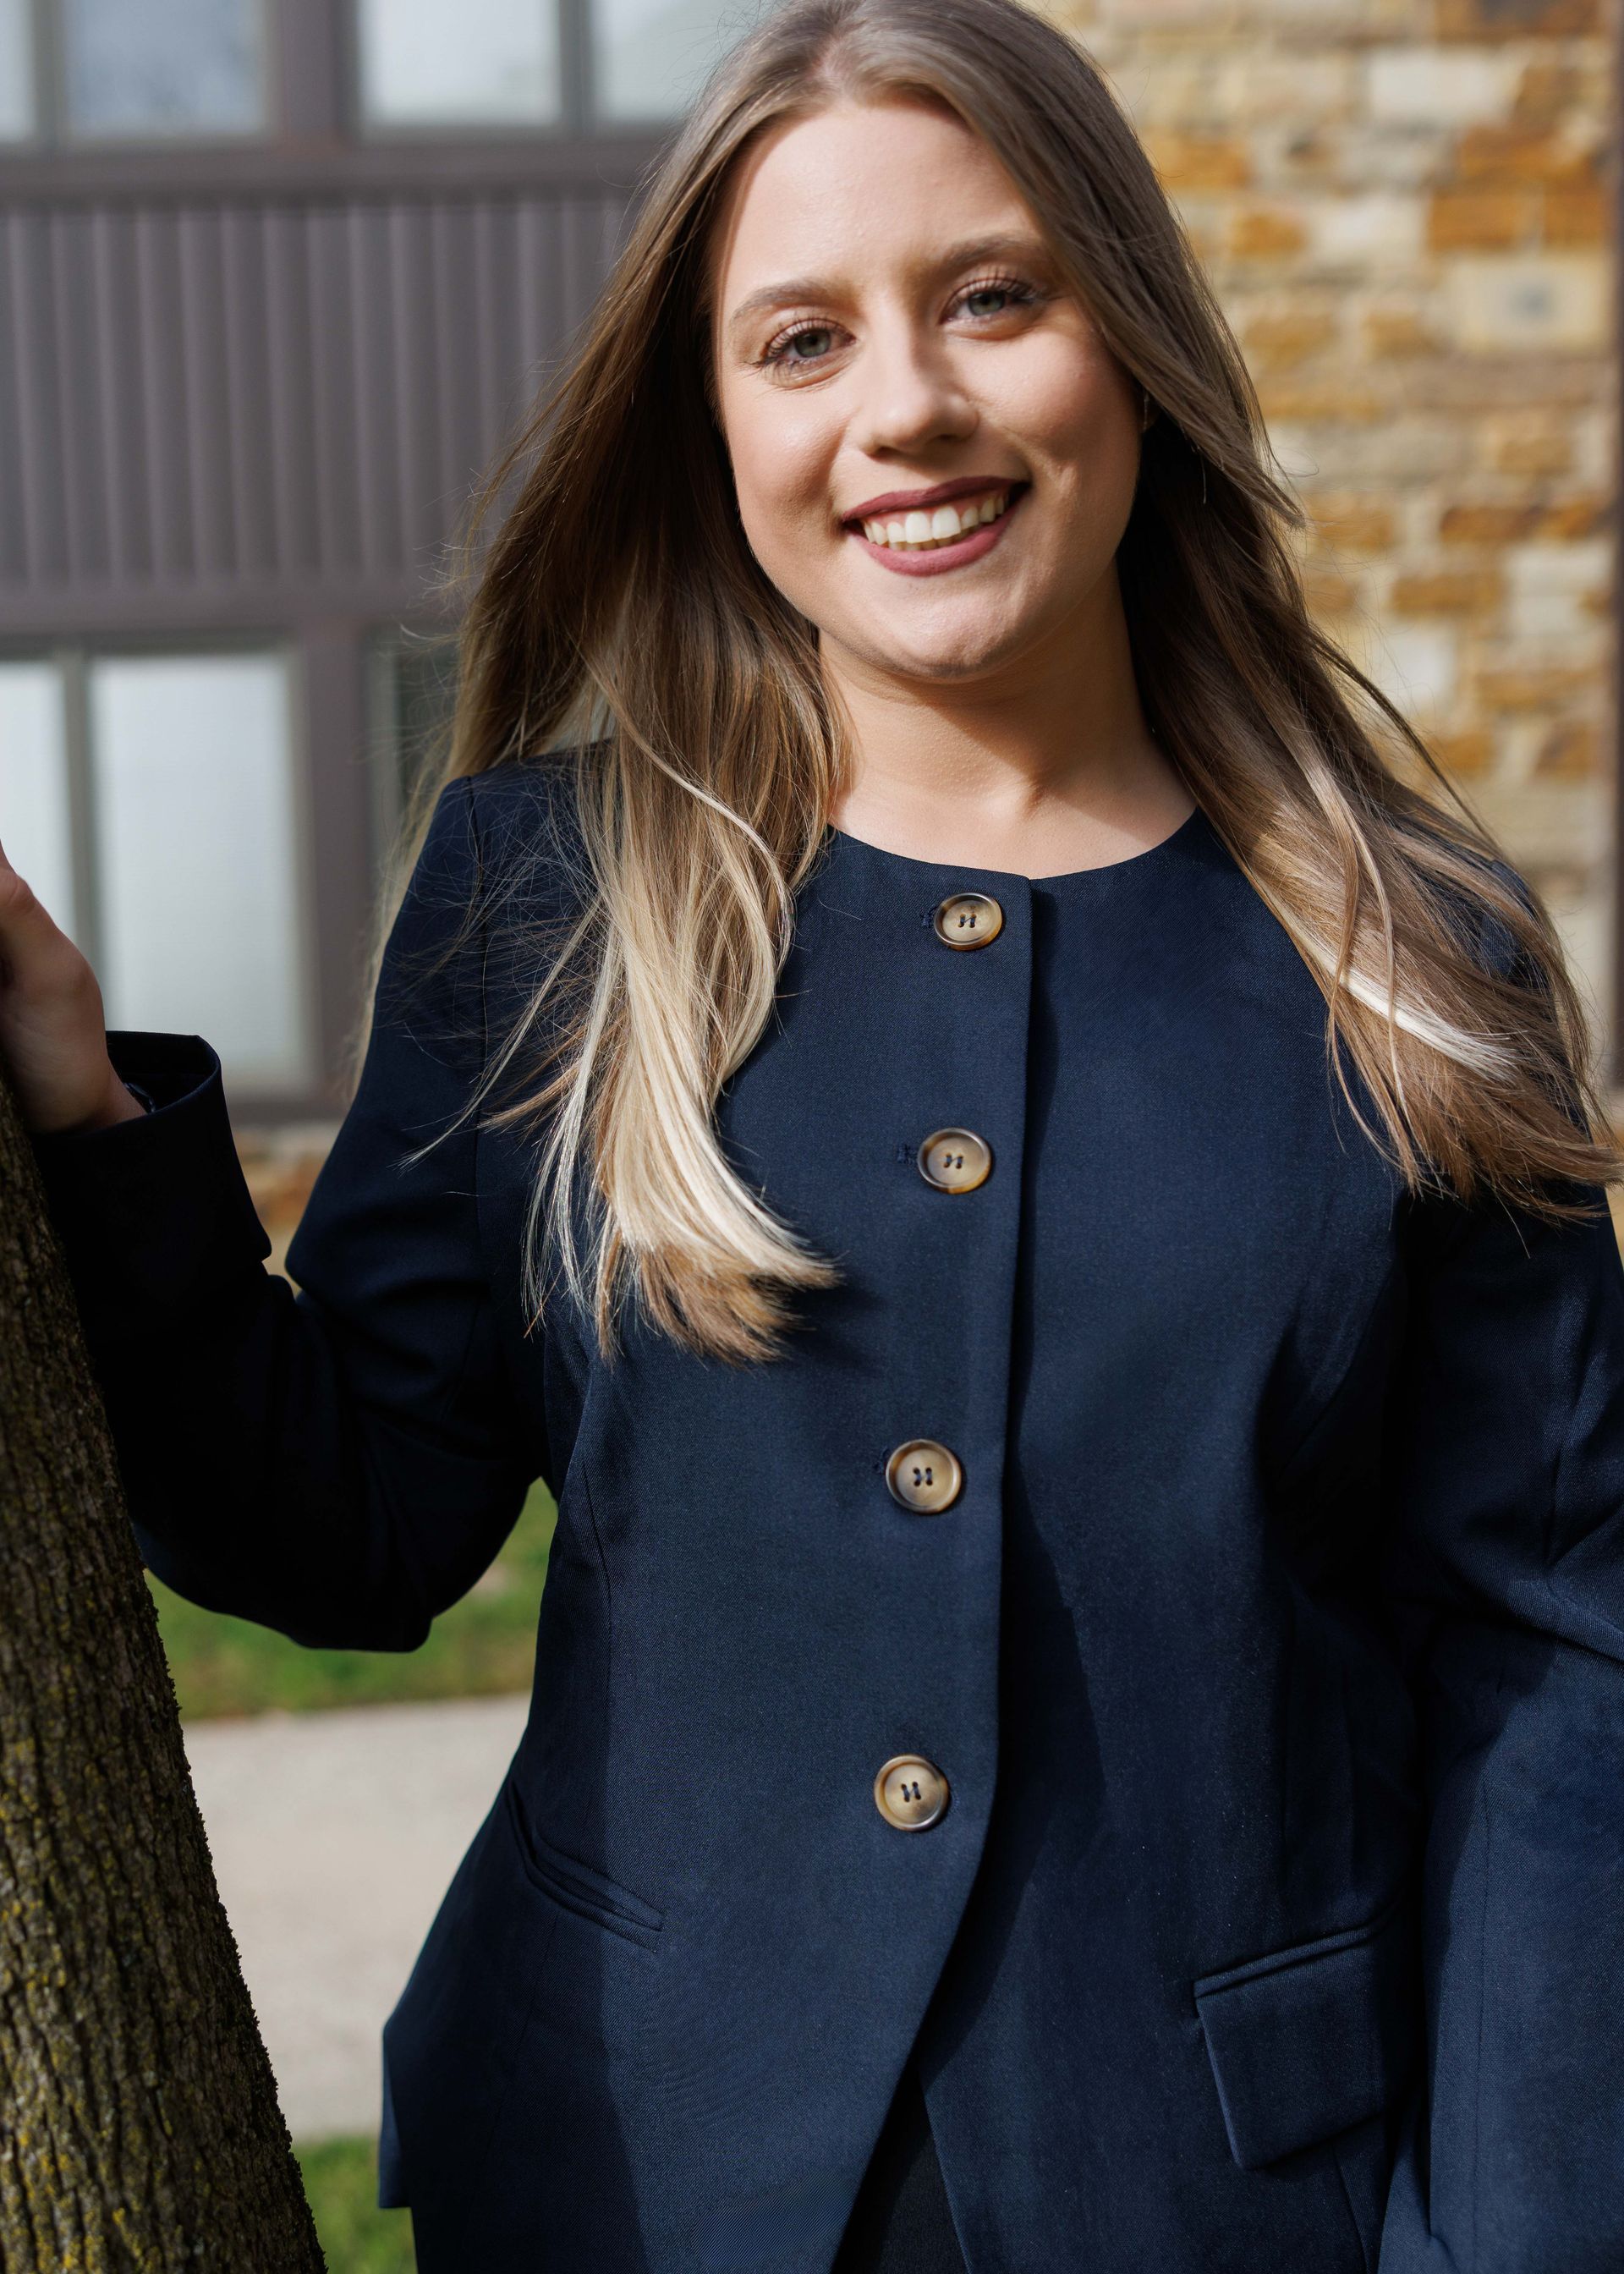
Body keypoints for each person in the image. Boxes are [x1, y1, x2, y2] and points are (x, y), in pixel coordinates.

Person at [3, 0, 1621, 2266]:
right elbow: (346, 1524)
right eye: (801, 341)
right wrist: (89, 1113)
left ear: (1133, 339)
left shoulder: (1409, 959)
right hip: (623, 2187)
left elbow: (1558, 1675)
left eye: (993, 296)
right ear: (714, 428)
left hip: (1214, 2202)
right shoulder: (551, 902)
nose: (907, 406)